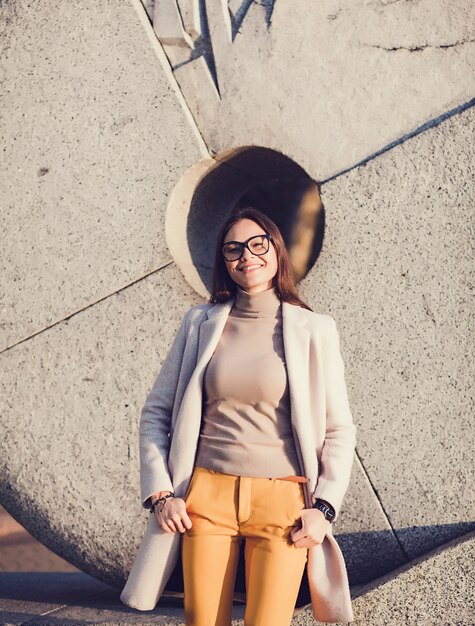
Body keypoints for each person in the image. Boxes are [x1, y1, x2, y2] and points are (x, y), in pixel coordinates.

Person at [120, 207, 357, 625]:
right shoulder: (199, 323)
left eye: (256, 244)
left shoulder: (314, 329)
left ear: (276, 250)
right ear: (224, 262)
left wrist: (324, 507)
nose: (246, 256)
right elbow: (156, 413)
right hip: (205, 498)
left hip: (283, 503)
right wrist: (161, 495)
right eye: (233, 249)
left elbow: (339, 428)